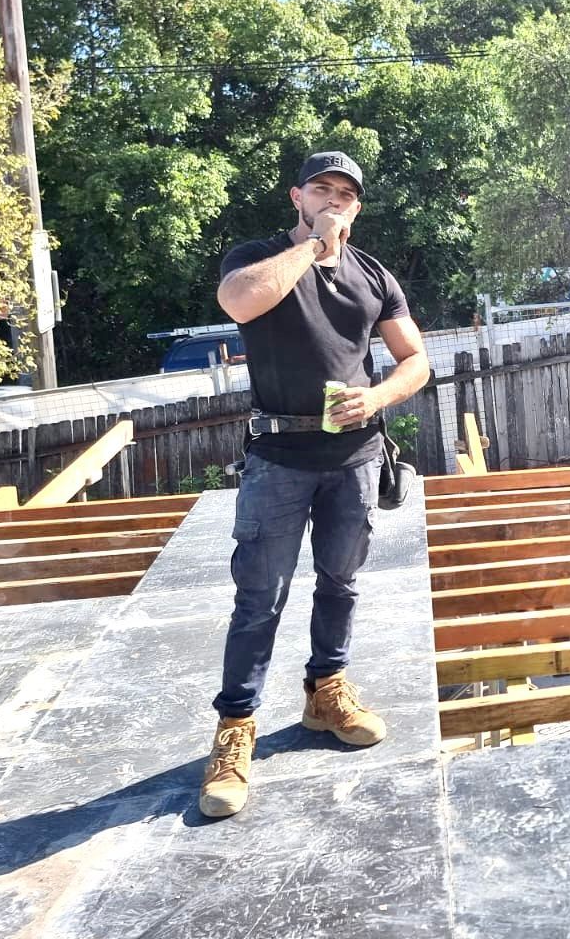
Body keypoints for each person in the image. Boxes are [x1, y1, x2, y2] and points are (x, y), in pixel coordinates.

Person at [198, 150, 431, 819]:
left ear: (358, 206)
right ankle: (233, 732)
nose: (334, 200)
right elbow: (240, 301)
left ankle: (326, 692)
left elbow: (415, 359)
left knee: (341, 582)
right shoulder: (260, 256)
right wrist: (313, 246)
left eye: (346, 195)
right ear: (296, 196)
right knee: (258, 600)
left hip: (355, 457)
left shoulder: (375, 276)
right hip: (278, 456)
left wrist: (379, 395)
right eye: (322, 190)